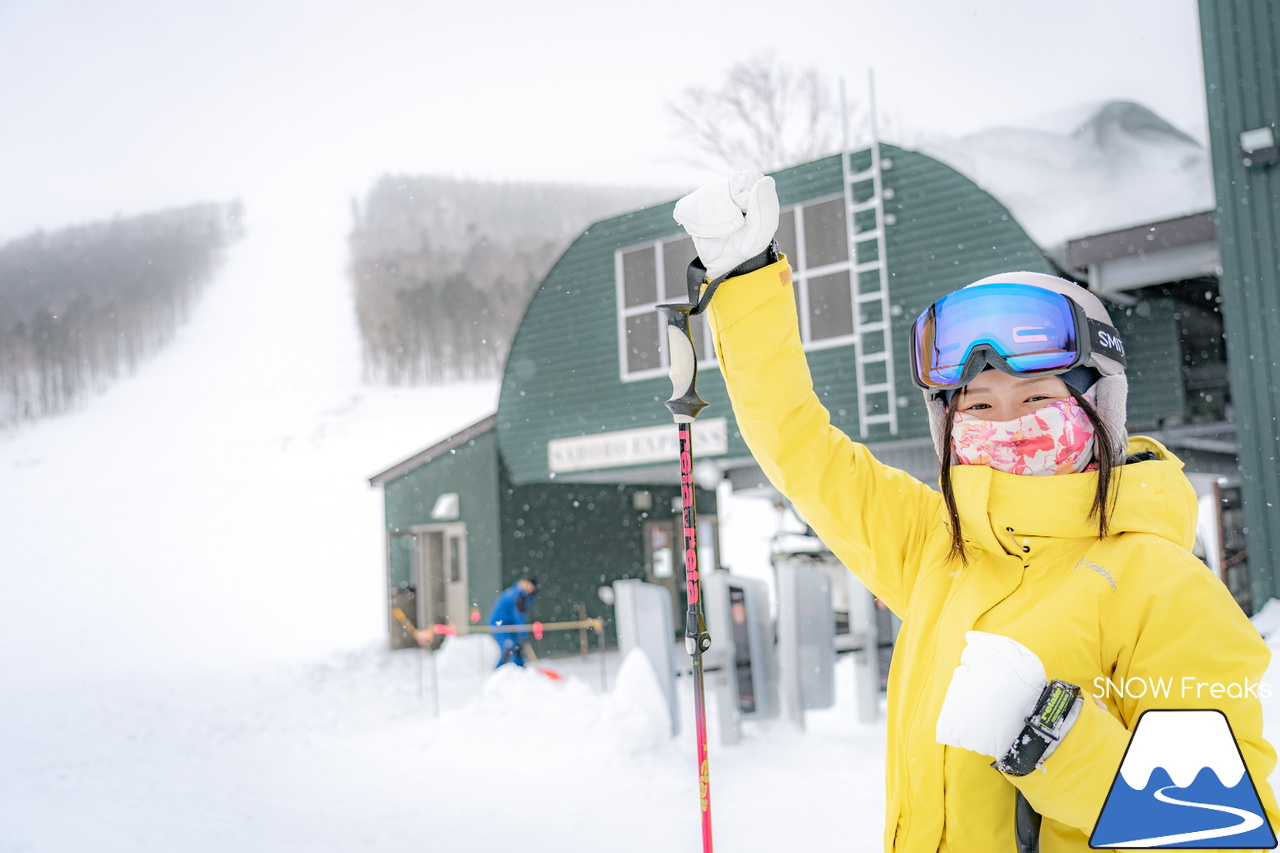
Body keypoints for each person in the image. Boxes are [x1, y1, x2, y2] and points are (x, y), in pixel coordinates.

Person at [672, 171, 1279, 852]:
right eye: (980, 405)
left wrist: (1054, 740)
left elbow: (1220, 834)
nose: (1007, 422)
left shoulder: (1163, 589)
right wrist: (744, 278)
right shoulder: (935, 548)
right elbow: (800, 449)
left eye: (1036, 398)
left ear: (1100, 413)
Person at [487, 576, 538, 668]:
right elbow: (518, 617)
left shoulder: (521, 595)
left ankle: (521, 671)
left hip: (510, 626)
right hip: (500, 625)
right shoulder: (518, 596)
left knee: (517, 649)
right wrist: (523, 634)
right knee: (508, 648)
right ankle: (498, 673)